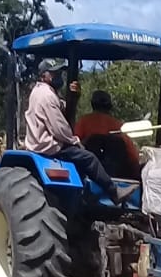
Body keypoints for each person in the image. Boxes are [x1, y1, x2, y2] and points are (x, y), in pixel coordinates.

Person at [23, 62, 134, 204]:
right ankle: (114, 192)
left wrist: (72, 97)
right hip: (49, 146)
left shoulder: (39, 92)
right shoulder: (47, 96)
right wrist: (75, 141)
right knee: (89, 158)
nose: (58, 76)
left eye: (59, 73)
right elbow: (59, 129)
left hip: (39, 144)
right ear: (44, 75)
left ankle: (87, 196)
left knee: (81, 157)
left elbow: (60, 106)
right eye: (54, 73)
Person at [75, 90, 141, 172]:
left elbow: (75, 143)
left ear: (92, 104)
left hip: (88, 170)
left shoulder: (83, 121)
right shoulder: (118, 125)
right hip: (115, 173)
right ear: (109, 106)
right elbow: (132, 155)